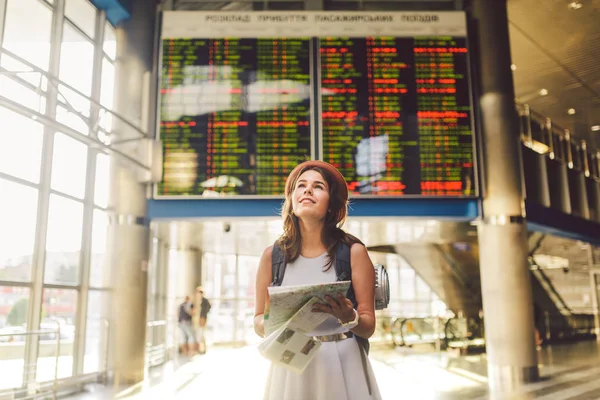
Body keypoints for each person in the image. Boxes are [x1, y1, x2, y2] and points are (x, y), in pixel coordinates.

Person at [254, 160, 382, 400]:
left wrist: (350, 317)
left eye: (318, 187)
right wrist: (274, 322)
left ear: (332, 204)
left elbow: (368, 326)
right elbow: (259, 322)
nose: (308, 190)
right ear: (291, 201)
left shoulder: (353, 252)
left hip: (343, 363)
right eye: (301, 186)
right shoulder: (272, 256)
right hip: (291, 364)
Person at [195, 286, 212, 354]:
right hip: (199, 318)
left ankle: (203, 348)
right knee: (199, 334)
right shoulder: (199, 301)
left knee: (202, 333)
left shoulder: (205, 301)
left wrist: (203, 315)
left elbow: (209, 307)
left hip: (202, 318)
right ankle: (201, 349)